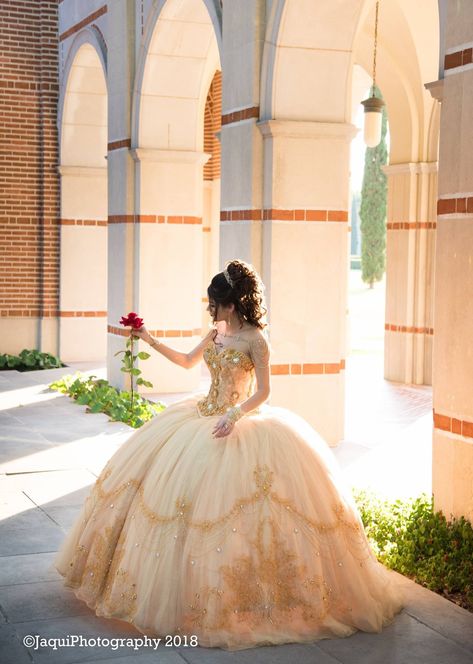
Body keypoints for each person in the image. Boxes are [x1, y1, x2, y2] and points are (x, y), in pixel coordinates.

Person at [54, 258, 406, 651]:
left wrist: (235, 416)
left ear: (232, 303)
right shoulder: (217, 332)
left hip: (237, 421)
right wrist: (148, 339)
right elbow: (189, 361)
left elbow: (265, 392)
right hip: (200, 416)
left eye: (215, 305)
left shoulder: (256, 339)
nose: (212, 311)